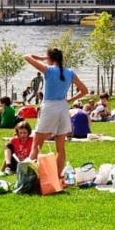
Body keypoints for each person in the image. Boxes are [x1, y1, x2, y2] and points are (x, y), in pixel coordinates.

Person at [23, 48, 88, 176]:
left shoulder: (48, 70)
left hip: (49, 106)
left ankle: (29, 176)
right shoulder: (70, 72)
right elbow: (84, 90)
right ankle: (57, 176)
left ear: (50, 58)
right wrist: (71, 100)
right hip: (63, 107)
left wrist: (42, 59)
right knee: (60, 146)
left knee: (36, 145)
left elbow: (26, 56)